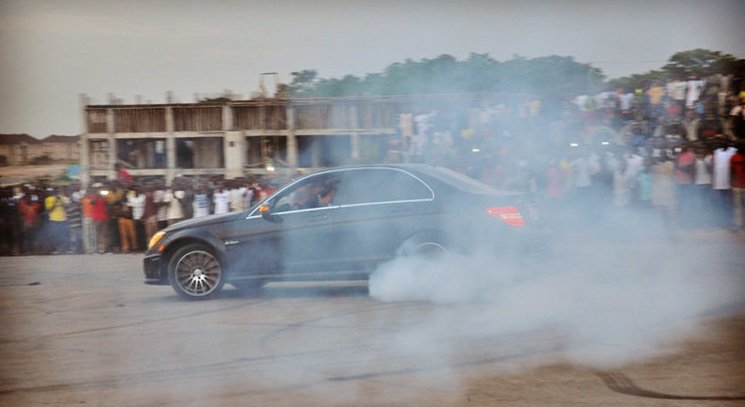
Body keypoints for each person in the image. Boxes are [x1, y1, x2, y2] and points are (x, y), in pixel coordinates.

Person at [44, 187, 68, 254]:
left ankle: (63, 249)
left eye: (58, 191)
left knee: (63, 235)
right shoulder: (48, 199)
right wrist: (55, 201)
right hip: (53, 219)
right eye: (56, 191)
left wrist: (61, 200)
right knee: (55, 235)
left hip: (63, 219)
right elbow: (49, 209)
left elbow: (66, 207)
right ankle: (56, 249)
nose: (57, 192)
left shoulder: (62, 198)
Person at [730, 148, 745, 232]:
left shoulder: (733, 157)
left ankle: (738, 225)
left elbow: (731, 171)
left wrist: (731, 183)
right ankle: (740, 225)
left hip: (737, 185)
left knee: (737, 206)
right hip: (739, 185)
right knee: (738, 206)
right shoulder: (734, 157)